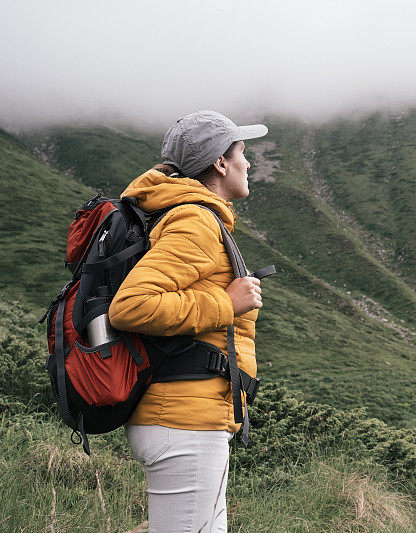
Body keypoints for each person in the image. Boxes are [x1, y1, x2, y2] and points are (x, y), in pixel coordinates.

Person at [108, 110, 267, 532]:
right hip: (182, 422)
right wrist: (225, 303)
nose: (247, 163)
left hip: (185, 416)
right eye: (242, 153)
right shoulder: (194, 219)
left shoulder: (193, 215)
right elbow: (132, 306)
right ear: (220, 163)